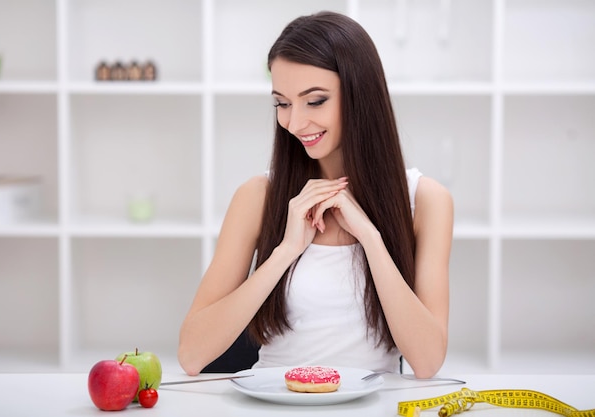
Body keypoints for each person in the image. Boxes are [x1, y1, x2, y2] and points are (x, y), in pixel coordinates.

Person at [178, 11, 453, 379]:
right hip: (274, 402)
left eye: (315, 100)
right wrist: (285, 252)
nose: (294, 122)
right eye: (282, 103)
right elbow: (192, 355)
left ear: (360, 95)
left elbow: (428, 361)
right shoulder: (258, 196)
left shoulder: (425, 201)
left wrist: (370, 238)